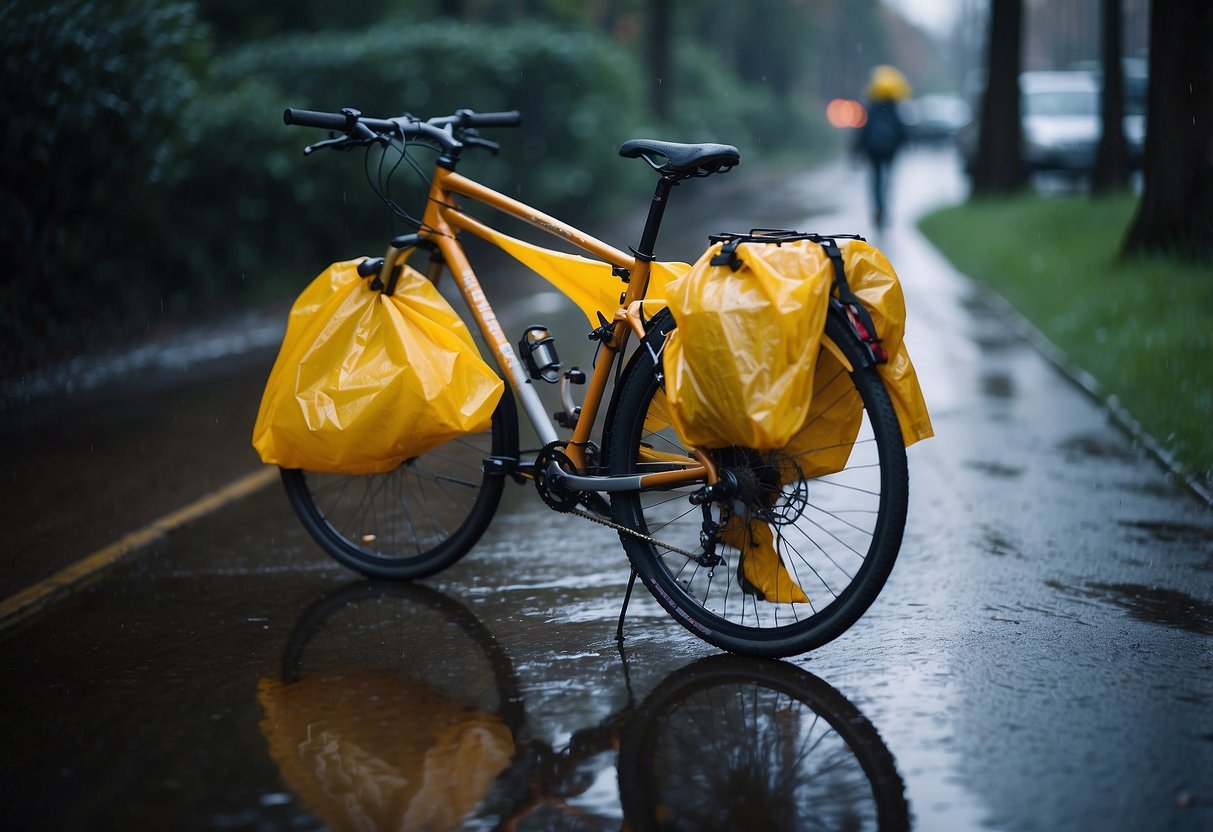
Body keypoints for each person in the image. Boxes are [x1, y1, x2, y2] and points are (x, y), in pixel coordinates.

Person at [855, 65, 910, 227]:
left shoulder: (872, 106)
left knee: (876, 180)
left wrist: (858, 150)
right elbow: (901, 129)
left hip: (874, 150)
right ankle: (885, 208)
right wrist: (902, 144)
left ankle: (878, 207)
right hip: (890, 150)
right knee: (888, 179)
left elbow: (864, 129)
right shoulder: (894, 106)